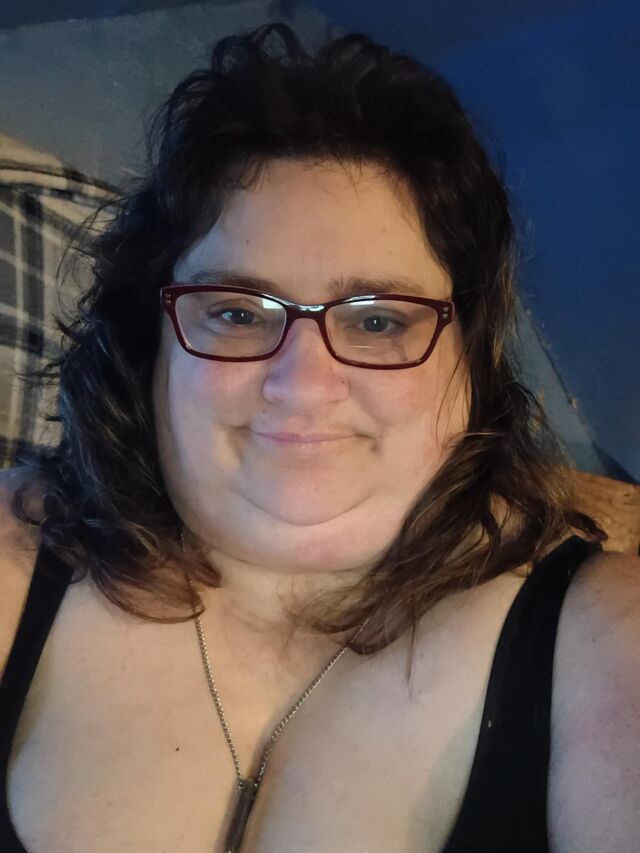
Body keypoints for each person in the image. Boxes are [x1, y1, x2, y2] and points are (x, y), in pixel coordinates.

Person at [0, 21, 638, 853]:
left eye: (377, 320)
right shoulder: (17, 553)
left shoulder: (607, 635)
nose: (301, 383)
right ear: (149, 346)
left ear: (472, 361)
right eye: (237, 312)